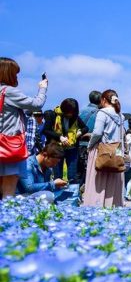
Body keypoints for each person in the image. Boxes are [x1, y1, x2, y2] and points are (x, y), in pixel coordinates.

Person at [0, 57, 48, 199]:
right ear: (8, 73)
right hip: (9, 145)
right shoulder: (8, 91)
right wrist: (42, 88)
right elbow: (36, 104)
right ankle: (6, 218)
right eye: (15, 73)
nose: (16, 76)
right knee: (9, 189)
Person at [83, 90, 125, 207]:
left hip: (102, 150)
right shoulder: (120, 116)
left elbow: (97, 133)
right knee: (113, 179)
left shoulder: (102, 113)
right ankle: (112, 204)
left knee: (98, 180)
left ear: (104, 100)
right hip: (116, 150)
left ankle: (96, 204)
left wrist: (90, 145)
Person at [42, 98, 88, 183]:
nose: (70, 114)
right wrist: (60, 137)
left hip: (72, 149)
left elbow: (86, 128)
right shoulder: (52, 115)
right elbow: (46, 130)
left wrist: (80, 132)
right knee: (58, 176)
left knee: (72, 176)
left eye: (73, 112)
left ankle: (73, 194)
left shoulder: (75, 117)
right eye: (69, 112)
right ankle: (57, 194)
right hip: (57, 149)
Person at [77, 90, 101, 185]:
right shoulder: (99, 113)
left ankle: (76, 193)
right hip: (91, 145)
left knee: (78, 171)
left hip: (78, 143)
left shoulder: (80, 111)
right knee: (90, 171)